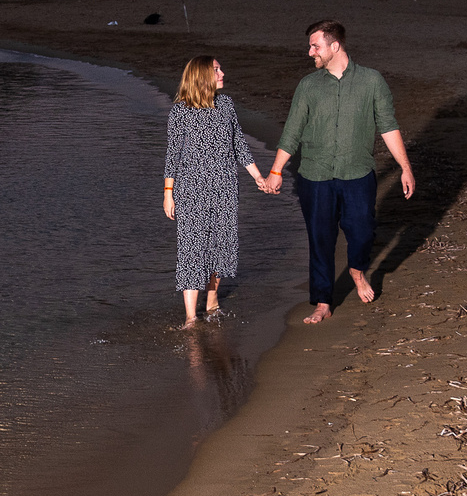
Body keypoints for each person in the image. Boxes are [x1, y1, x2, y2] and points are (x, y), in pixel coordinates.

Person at [261, 20, 416, 325]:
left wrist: (405, 168)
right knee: (320, 240)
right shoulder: (308, 86)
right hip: (315, 175)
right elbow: (292, 131)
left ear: (335, 46)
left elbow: (388, 126)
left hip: (357, 173)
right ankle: (323, 302)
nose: (310, 52)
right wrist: (275, 170)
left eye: (315, 46)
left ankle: (357, 270)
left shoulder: (371, 81)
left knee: (362, 231)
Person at [163, 55, 268, 327]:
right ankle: (190, 317)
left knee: (221, 245)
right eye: (216, 70)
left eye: (220, 69)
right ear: (201, 76)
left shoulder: (226, 105)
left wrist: (258, 176)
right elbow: (173, 154)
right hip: (191, 190)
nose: (222, 73)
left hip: (225, 188)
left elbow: (238, 144)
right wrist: (168, 192)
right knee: (192, 249)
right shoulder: (180, 111)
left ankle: (212, 300)